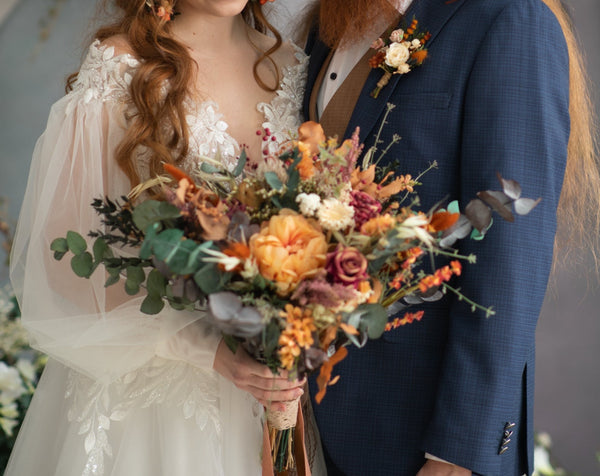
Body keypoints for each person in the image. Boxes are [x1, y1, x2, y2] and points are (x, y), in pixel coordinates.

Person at [6, 0, 309, 474]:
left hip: (269, 393)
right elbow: (63, 267)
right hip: (153, 404)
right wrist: (207, 349)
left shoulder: (291, 63)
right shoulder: (120, 66)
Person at [302, 0, 600, 475]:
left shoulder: (510, 18)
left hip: (424, 440)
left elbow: (510, 256)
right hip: (311, 427)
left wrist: (458, 456)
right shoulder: (330, 22)